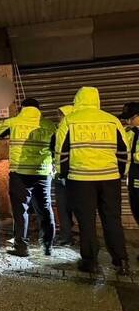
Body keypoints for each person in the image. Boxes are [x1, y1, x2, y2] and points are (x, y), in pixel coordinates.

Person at [55, 87, 130, 275]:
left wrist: (63, 174)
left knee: (86, 221)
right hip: (110, 178)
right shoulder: (112, 120)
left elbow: (61, 153)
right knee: (112, 219)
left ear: (77, 100)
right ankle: (121, 261)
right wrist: (120, 173)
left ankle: (90, 262)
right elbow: (124, 151)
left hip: (81, 179)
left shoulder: (70, 121)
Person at [0, 98, 56, 257]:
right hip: (43, 173)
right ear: (38, 109)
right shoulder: (49, 125)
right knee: (45, 209)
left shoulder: (13, 122)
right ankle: (47, 246)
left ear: (22, 108)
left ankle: (22, 247)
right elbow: (56, 147)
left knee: (20, 210)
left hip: (20, 173)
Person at [50, 105, 76, 246]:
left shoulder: (61, 131)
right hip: (74, 175)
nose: (59, 118)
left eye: (61, 115)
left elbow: (54, 150)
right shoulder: (65, 130)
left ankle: (67, 236)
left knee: (64, 206)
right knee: (66, 207)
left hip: (65, 175)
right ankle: (68, 234)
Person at [119, 102, 139, 257]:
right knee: (136, 208)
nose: (127, 122)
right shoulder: (130, 132)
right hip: (132, 175)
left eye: (130, 118)